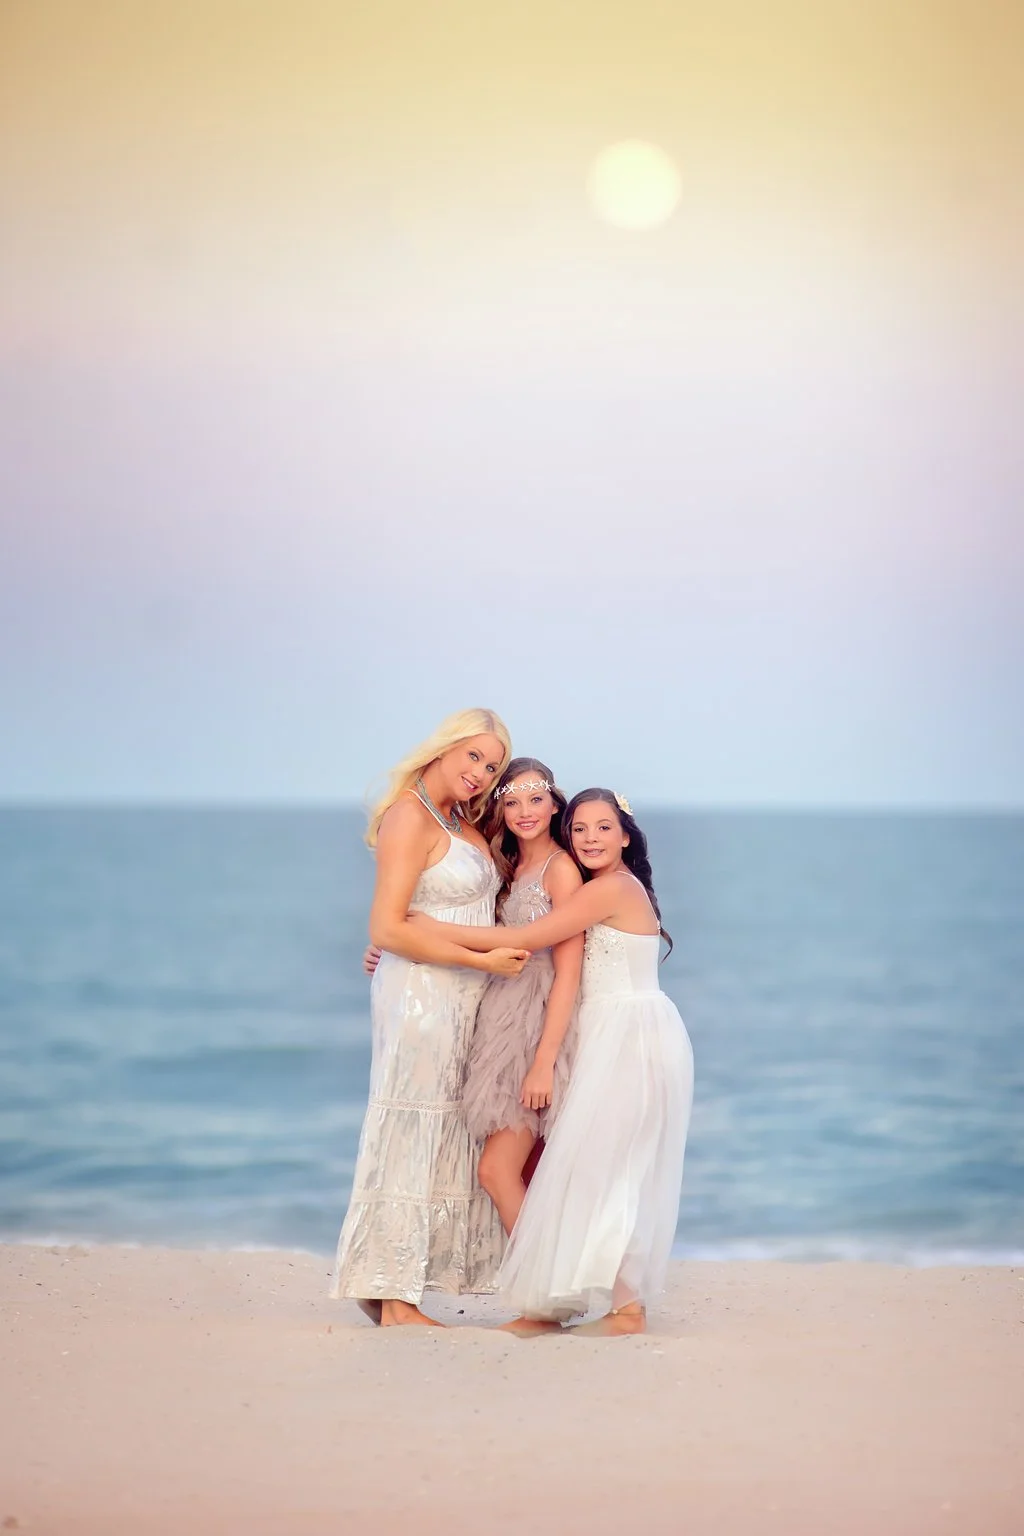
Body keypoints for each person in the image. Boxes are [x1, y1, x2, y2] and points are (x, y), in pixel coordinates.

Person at [407, 788, 694, 1337]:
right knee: (604, 1172)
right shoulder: (600, 886)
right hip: (616, 1031)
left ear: (626, 836)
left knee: (609, 1173)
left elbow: (525, 938)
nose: (589, 838)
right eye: (580, 829)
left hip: (630, 1036)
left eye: (604, 828)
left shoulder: (611, 888)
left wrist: (423, 930)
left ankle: (625, 1310)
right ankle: (600, 1304)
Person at [331, 708, 529, 1328]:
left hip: (462, 993)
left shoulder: (460, 819)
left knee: (446, 1131)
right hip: (422, 996)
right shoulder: (409, 816)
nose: (480, 773)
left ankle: (388, 1284)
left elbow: (425, 916)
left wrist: (484, 964)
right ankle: (395, 1300)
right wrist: (484, 960)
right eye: (472, 756)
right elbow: (387, 926)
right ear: (441, 750)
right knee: (410, 1129)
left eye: (491, 765)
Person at [462, 758, 583, 1238]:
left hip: (534, 1025)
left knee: (497, 1171)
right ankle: (540, 1286)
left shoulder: (561, 870)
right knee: (508, 1170)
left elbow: (569, 974)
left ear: (554, 804)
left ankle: (543, 1290)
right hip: (499, 1013)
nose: (524, 812)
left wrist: (544, 1062)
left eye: (535, 800)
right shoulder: (509, 865)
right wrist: (391, 947)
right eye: (511, 802)